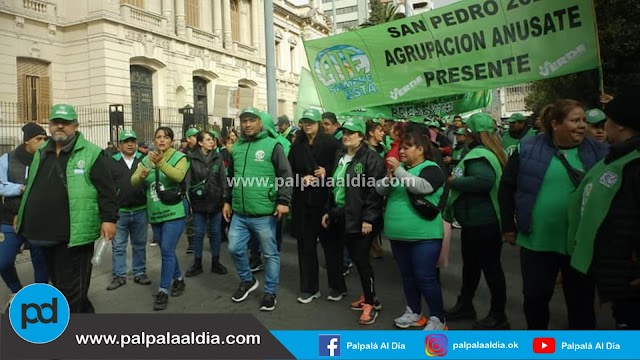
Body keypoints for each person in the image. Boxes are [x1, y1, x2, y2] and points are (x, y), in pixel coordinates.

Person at [499, 99, 608, 330]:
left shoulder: (599, 151)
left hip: (580, 244)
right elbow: (506, 187)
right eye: (575, 120)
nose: (582, 125)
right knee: (536, 299)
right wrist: (508, 225)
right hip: (537, 242)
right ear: (555, 123)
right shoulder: (527, 149)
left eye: (583, 121)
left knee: (581, 305)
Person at [16, 104, 118, 313]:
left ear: (76, 125)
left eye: (65, 123)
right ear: (50, 125)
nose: (59, 127)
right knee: (64, 288)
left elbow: (107, 190)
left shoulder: (92, 153)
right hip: (43, 233)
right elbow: (32, 184)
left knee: (71, 292)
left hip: (74, 236)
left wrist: (109, 219)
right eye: (55, 122)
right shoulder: (42, 151)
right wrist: (22, 212)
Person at [568, 92, 640, 329]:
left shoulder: (634, 163)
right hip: (616, 271)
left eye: (606, 120)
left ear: (619, 124)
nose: (603, 126)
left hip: (628, 273)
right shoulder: (616, 157)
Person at [442, 113, 509, 330]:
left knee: (491, 270)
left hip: (483, 222)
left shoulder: (479, 155)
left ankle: (498, 316)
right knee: (471, 267)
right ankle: (465, 305)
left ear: (472, 133)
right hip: (476, 222)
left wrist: (455, 181)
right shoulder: (487, 152)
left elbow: (483, 181)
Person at [376, 129, 447, 330]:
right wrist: (389, 178)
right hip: (399, 235)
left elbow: (421, 187)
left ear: (421, 149)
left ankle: (438, 318)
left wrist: (399, 170)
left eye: (407, 148)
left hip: (424, 235)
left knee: (425, 277)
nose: (401, 152)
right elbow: (379, 190)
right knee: (407, 276)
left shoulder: (431, 168)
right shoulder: (401, 170)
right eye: (401, 148)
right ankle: (414, 311)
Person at [223, 107, 293, 311]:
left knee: (270, 254)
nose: (247, 124)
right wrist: (227, 201)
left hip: (264, 212)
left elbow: (286, 175)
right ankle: (247, 280)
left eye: (252, 120)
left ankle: (270, 292)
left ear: (260, 122)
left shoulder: (273, 145)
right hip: (239, 212)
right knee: (234, 248)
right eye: (244, 120)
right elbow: (230, 177)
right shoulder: (236, 147)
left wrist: (283, 201)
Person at [321, 118, 385, 325]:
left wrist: (368, 218)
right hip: (341, 215)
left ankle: (370, 303)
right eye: (345, 132)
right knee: (353, 260)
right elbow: (334, 187)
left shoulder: (371, 158)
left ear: (361, 136)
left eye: (352, 132)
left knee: (362, 261)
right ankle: (369, 296)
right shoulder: (340, 156)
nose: (346, 135)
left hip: (360, 219)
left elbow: (375, 192)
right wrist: (329, 211)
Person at [132, 126, 190, 311]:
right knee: (168, 250)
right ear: (154, 140)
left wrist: (161, 164)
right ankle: (179, 279)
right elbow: (132, 181)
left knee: (166, 249)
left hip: (175, 211)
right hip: (155, 212)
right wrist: (140, 177)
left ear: (172, 141)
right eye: (158, 137)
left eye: (166, 137)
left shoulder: (180, 157)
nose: (162, 140)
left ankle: (163, 290)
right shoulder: (146, 159)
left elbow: (179, 175)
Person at [288, 108, 342, 304]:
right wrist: (302, 179)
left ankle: (337, 286)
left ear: (319, 124)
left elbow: (343, 171)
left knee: (331, 246)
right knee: (305, 246)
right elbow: (288, 174)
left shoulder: (332, 144)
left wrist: (327, 172)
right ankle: (309, 288)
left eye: (311, 121)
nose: (308, 124)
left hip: (326, 202)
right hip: (304, 203)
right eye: (304, 121)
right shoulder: (297, 146)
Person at [0, 123, 49, 310]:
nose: (43, 142)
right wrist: (21, 188)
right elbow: (0, 184)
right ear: (27, 140)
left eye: (45, 139)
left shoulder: (47, 158)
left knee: (41, 261)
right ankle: (17, 292)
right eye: (39, 139)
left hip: (38, 219)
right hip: (9, 217)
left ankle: (40, 298)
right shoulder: (7, 159)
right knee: (3, 262)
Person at [107, 129, 151, 290]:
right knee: (118, 245)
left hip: (140, 209)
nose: (130, 144)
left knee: (139, 244)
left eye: (133, 141)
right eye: (126, 141)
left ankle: (139, 272)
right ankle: (119, 275)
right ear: (120, 145)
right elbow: (107, 187)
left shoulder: (144, 159)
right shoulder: (111, 161)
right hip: (120, 212)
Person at [249, 111, 292, 271]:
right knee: (254, 231)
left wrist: (283, 198)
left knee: (274, 229)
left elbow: (286, 171)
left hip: (273, 194)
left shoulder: (281, 144)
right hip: (253, 195)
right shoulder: (249, 142)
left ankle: (273, 256)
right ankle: (255, 257)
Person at [184, 131, 229, 277]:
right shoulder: (191, 158)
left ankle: (216, 262)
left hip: (216, 201)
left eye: (212, 139)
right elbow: (188, 182)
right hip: (198, 202)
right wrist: (189, 201)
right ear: (200, 142)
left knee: (215, 233)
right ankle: (197, 263)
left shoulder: (217, 157)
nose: (212, 142)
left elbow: (223, 178)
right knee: (198, 233)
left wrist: (225, 198)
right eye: (208, 140)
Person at [182, 128, 199, 254]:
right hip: (188, 190)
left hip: (202, 189)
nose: (197, 138)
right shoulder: (184, 155)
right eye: (194, 136)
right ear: (188, 139)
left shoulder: (203, 152)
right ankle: (192, 242)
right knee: (190, 218)